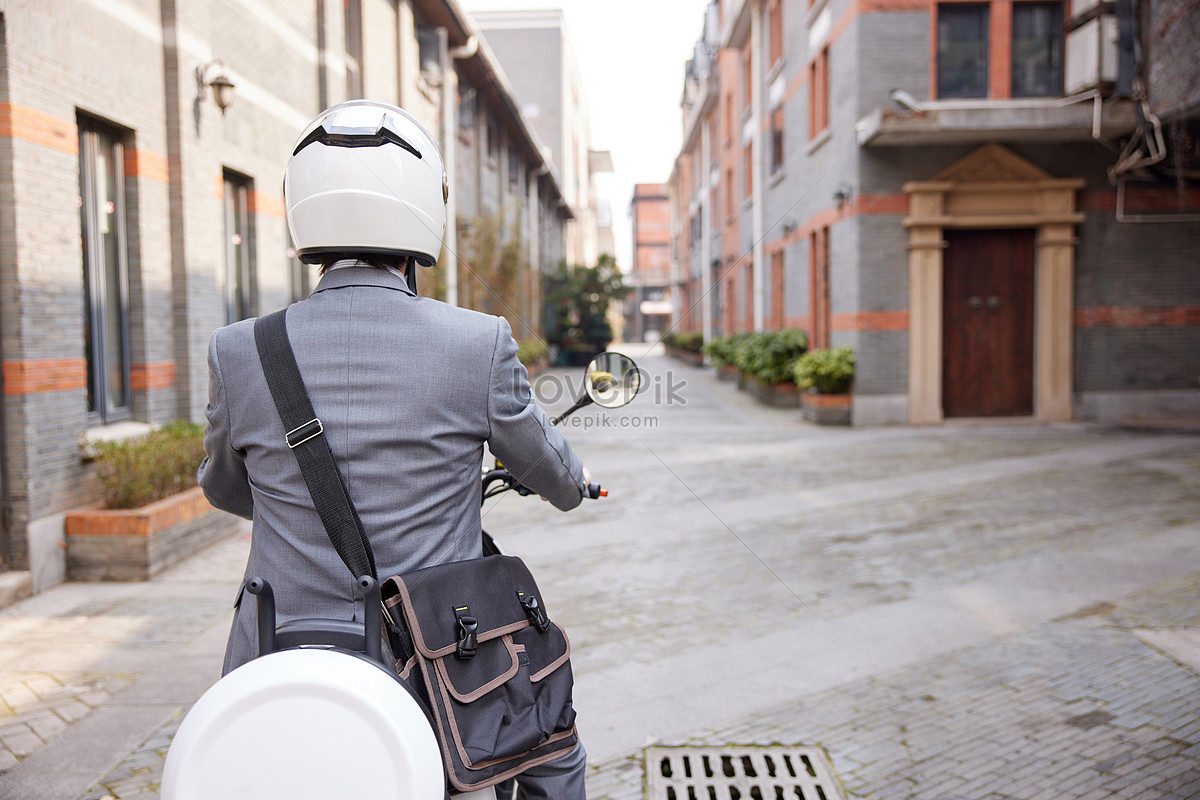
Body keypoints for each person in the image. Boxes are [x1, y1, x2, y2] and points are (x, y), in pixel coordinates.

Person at [197, 100, 589, 800]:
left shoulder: (239, 349)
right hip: (439, 672)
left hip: (277, 656)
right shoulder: (477, 342)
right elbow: (549, 470)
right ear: (420, 212)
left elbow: (226, 488)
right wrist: (573, 481)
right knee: (558, 755)